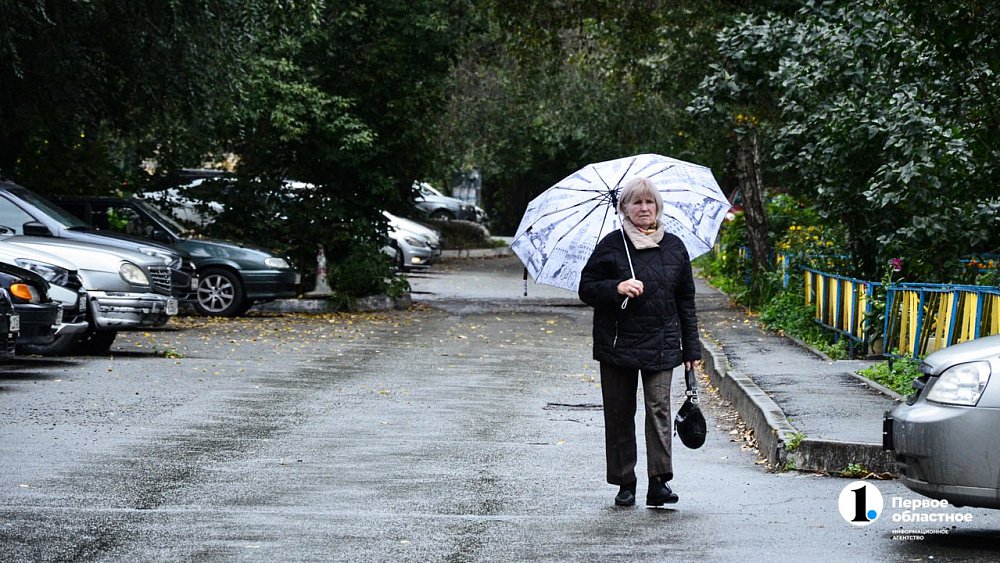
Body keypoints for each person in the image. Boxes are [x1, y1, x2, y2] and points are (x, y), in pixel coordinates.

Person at [578, 176, 702, 507]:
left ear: (658, 207)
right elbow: (586, 288)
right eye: (637, 202)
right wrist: (616, 288)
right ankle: (625, 481)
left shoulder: (674, 247)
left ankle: (659, 482)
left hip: (662, 343)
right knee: (619, 413)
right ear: (624, 209)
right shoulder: (611, 245)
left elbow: (686, 301)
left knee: (659, 410)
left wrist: (692, 349)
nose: (644, 208)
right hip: (616, 345)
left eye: (649, 202)